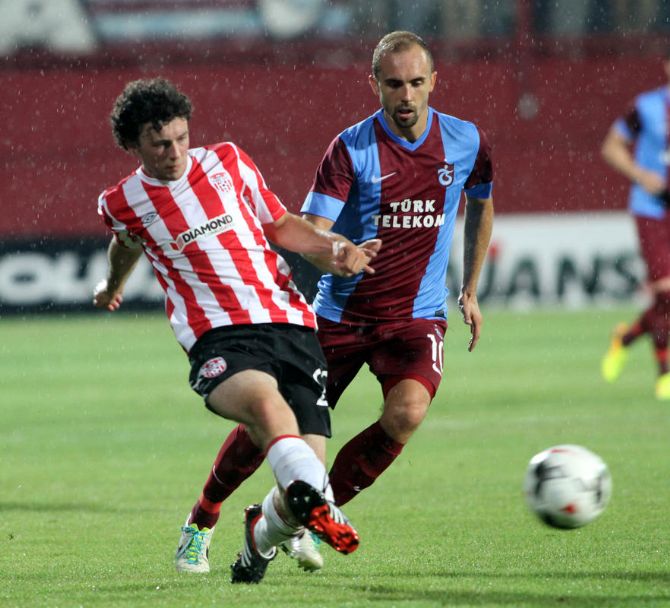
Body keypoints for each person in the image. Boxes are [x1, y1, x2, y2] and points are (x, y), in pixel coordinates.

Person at [182, 29, 494, 570]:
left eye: (416, 82)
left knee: (407, 414)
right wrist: (340, 253)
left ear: (433, 82)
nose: (406, 95)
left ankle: (296, 516)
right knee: (269, 420)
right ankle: (202, 517)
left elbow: (482, 202)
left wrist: (469, 288)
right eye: (393, 84)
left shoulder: (467, 141)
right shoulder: (351, 148)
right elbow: (313, 230)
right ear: (374, 84)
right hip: (338, 317)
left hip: (416, 316)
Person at [93, 78, 379, 583]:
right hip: (218, 333)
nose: (175, 152)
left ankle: (264, 533)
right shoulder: (124, 202)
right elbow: (125, 245)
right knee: (269, 410)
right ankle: (231, 518)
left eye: (181, 138)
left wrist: (333, 247)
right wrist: (112, 285)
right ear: (133, 145)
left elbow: (281, 224)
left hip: (288, 319)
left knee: (302, 477)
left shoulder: (228, 161)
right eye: (160, 144)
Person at [600, 52, 670, 400]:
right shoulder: (647, 107)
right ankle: (665, 373)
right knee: (666, 292)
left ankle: (624, 338)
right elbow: (611, 147)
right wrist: (642, 175)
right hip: (652, 209)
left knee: (666, 299)